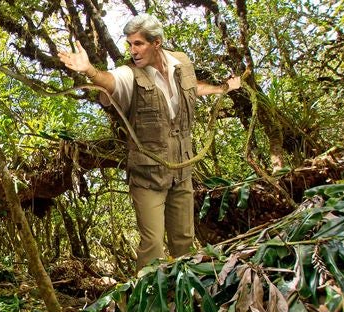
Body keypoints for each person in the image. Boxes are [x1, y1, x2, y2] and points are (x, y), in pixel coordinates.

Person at [59, 13, 241, 270]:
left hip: (182, 171)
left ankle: (183, 297)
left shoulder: (181, 62)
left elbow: (192, 87)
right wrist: (89, 70)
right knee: (152, 244)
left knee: (184, 241)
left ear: (156, 42)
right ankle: (150, 302)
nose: (133, 50)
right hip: (148, 176)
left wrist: (222, 88)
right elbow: (109, 81)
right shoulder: (129, 75)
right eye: (130, 44)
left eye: (138, 43)